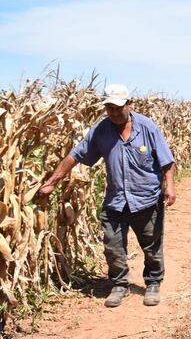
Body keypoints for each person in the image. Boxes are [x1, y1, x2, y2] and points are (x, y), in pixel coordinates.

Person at [39, 84, 176, 307]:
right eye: (109, 108)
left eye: (117, 108)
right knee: (112, 247)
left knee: (151, 246)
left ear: (129, 104)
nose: (113, 112)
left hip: (146, 199)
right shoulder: (101, 130)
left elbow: (167, 161)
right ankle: (119, 284)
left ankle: (152, 282)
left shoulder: (147, 127)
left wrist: (169, 186)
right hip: (116, 200)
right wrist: (52, 183)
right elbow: (76, 155)